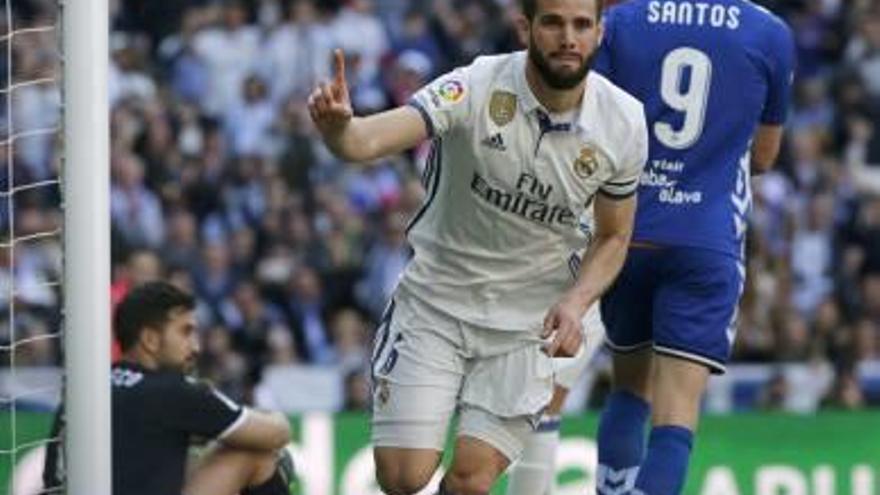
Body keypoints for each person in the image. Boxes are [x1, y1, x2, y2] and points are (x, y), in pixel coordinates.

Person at [307, 0, 648, 492]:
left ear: (599, 32)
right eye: (553, 23)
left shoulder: (624, 122)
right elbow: (365, 141)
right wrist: (341, 129)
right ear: (525, 28)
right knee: (403, 476)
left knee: (471, 482)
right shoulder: (475, 85)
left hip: (527, 325)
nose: (568, 38)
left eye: (581, 25)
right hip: (437, 304)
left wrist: (577, 303)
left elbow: (615, 235)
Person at [591, 2, 795, 494]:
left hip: (627, 230)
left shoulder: (622, 21)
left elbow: (593, 125)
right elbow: (765, 157)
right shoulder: (768, 31)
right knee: (676, 416)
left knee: (628, 386)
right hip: (706, 238)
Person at [43, 281, 296, 495]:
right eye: (186, 333)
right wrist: (276, 417)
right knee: (260, 455)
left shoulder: (85, 389)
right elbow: (274, 435)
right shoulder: (174, 390)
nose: (195, 347)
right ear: (150, 340)